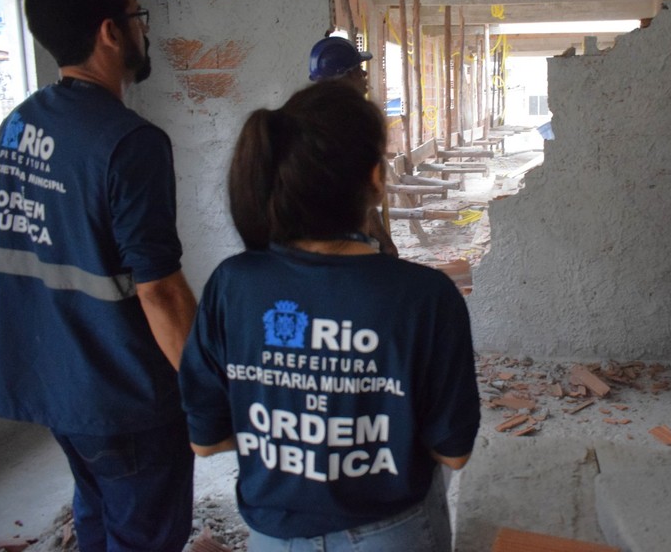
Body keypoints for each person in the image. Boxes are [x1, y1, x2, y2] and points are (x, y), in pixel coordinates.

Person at [179, 82, 480, 551]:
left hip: (273, 536)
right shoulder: (426, 297)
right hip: (392, 533)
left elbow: (207, 441)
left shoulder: (231, 286)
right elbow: (454, 453)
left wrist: (293, 435)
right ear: (376, 179)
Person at [0, 0, 197, 550]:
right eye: (139, 15)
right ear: (111, 31)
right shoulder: (131, 143)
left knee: (98, 512)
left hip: (51, 383)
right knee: (146, 533)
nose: (143, 28)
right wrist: (203, 389)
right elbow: (159, 289)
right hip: (121, 392)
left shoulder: (16, 127)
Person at [308, 35, 399, 257]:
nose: (365, 75)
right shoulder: (346, 124)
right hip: (343, 244)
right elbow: (357, 192)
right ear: (347, 75)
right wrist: (385, 242)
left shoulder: (309, 117)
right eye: (359, 69)